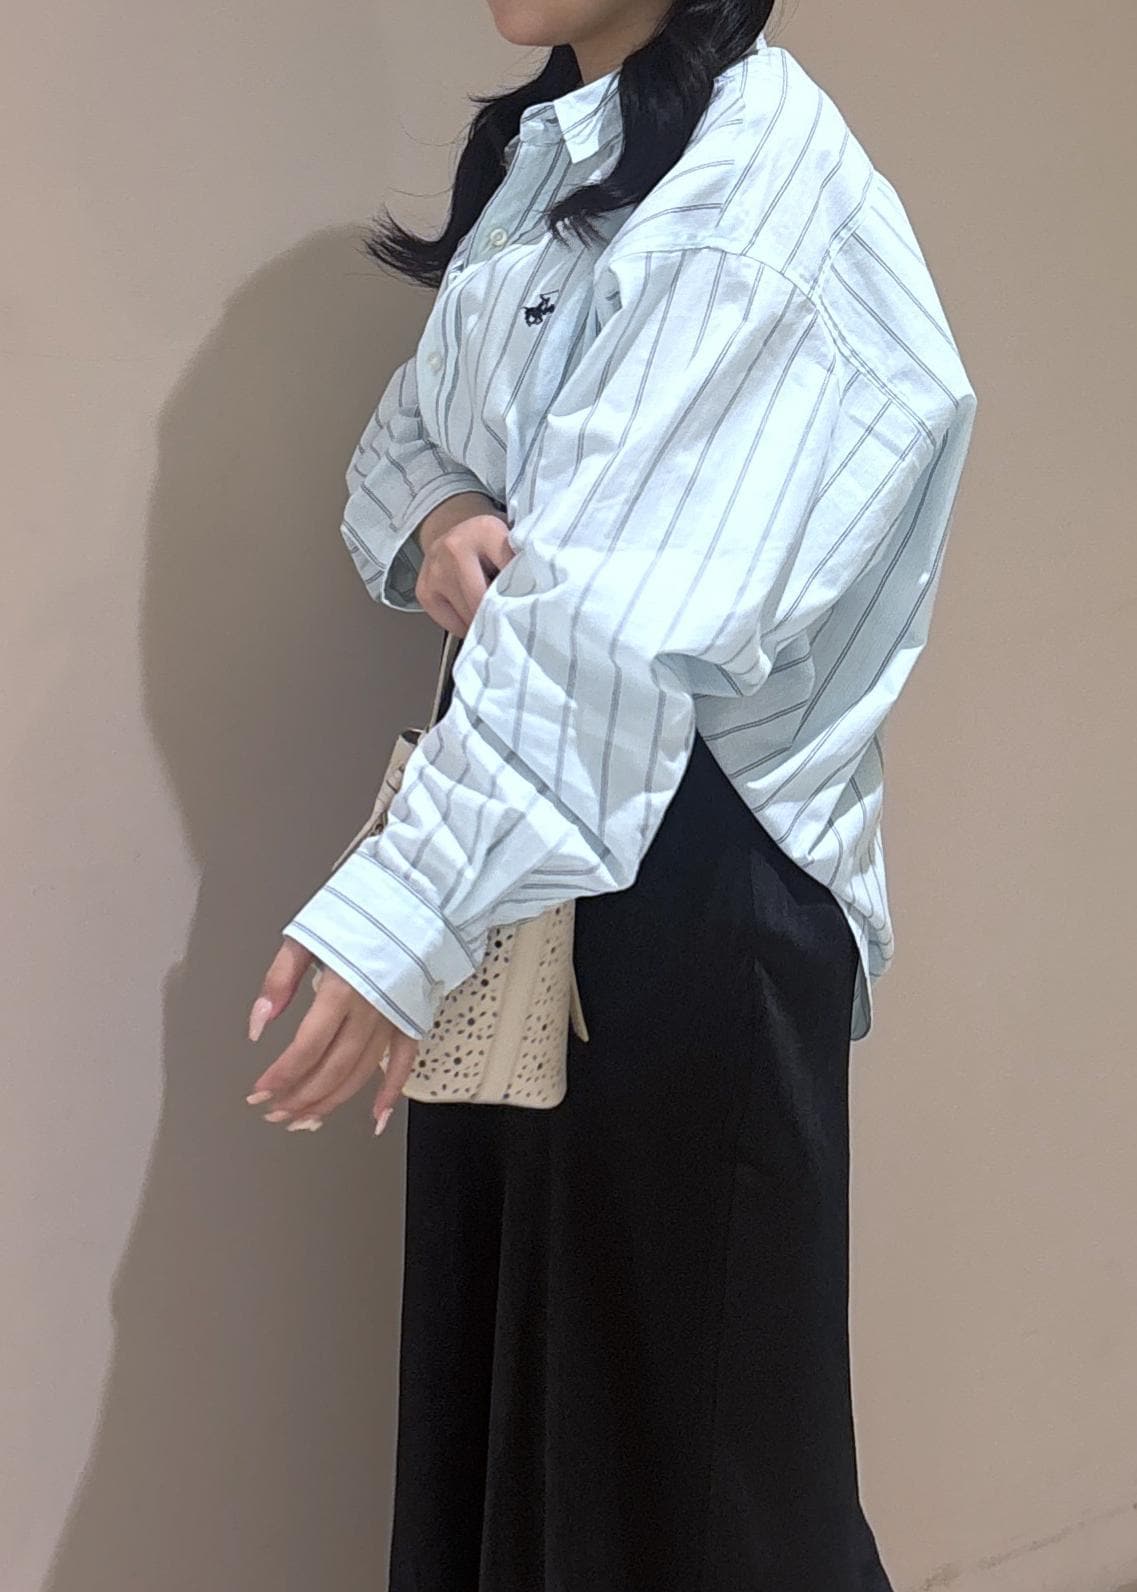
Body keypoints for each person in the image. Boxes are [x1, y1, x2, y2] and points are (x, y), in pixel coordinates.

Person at [245, 4, 978, 1587]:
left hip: (686, 877)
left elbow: (616, 633)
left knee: (693, 1481)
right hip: (532, 835)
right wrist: (443, 509)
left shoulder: (751, 185)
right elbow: (409, 436)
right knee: (521, 1432)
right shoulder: (552, 150)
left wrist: (396, 920)